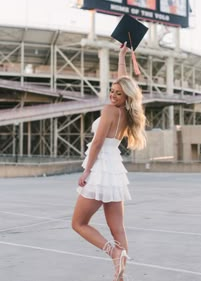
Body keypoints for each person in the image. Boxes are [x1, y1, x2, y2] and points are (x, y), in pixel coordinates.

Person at [72, 44, 147, 281]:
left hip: (101, 168)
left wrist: (87, 171)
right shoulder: (127, 112)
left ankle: (113, 251)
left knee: (78, 223)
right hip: (115, 171)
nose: (112, 95)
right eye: (111, 91)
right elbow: (122, 80)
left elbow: (96, 144)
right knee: (119, 228)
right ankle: (120, 273)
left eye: (117, 93)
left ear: (125, 96)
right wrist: (122, 56)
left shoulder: (108, 110)